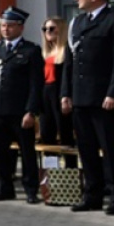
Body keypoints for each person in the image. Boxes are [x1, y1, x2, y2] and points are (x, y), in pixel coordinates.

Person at [60, 0, 114, 215]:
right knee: (86, 149)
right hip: (81, 96)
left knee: (111, 150)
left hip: (104, 98)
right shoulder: (78, 22)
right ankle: (92, 195)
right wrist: (66, 93)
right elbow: (70, 61)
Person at [0, 7, 45, 203]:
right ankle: (5, 187)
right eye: (3, 26)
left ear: (20, 27)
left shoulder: (31, 50)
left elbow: (36, 84)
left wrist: (31, 111)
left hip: (20, 111)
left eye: (10, 26)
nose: (6, 29)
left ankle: (31, 189)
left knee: (26, 152)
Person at [39, 16, 76, 167]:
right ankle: (51, 170)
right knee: (47, 134)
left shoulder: (66, 50)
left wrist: (66, 96)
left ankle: (70, 168)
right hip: (45, 93)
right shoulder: (44, 52)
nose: (47, 32)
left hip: (59, 92)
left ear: (61, 30)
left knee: (65, 132)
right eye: (45, 29)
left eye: (51, 28)